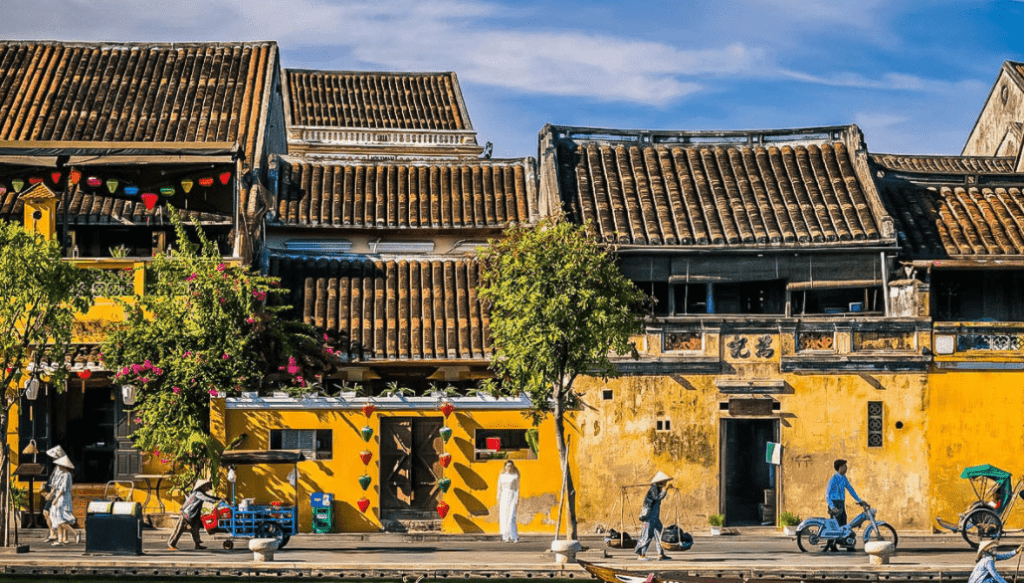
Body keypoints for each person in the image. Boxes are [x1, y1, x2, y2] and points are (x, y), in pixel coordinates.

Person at [168, 479, 222, 551]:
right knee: (180, 529)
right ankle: (172, 544)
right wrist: (216, 500)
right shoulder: (197, 493)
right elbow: (206, 498)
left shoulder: (201, 493)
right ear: (201, 486)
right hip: (187, 514)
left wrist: (218, 499)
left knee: (195, 529)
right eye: (205, 486)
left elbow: (209, 497)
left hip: (194, 515)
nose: (207, 488)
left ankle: (197, 544)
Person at [825, 459, 865, 552]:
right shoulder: (833, 479)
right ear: (840, 468)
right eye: (844, 466)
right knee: (834, 525)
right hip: (834, 503)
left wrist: (859, 500)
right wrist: (832, 507)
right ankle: (831, 545)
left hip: (841, 503)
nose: (846, 468)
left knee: (844, 524)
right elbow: (827, 494)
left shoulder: (844, 478)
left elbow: (850, 489)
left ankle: (847, 544)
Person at [635, 471, 672, 561]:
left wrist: (664, 490)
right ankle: (641, 554)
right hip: (649, 517)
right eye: (664, 482)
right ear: (660, 482)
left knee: (659, 532)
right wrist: (665, 490)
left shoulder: (658, 489)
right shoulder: (653, 489)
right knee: (647, 534)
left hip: (655, 517)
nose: (665, 483)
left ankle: (660, 554)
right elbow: (657, 497)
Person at [49, 456, 79, 546]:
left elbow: (62, 489)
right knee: (58, 518)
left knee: (62, 520)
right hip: (60, 497)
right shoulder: (62, 475)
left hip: (63, 498)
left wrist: (56, 498)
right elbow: (56, 486)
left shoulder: (67, 475)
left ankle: (75, 533)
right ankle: (60, 539)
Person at [497, 460, 520, 543]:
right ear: (505, 467)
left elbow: (517, 488)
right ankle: (505, 535)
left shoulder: (515, 476)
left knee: (511, 517)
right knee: (504, 516)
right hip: (504, 497)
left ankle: (514, 536)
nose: (509, 468)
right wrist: (498, 497)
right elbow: (499, 487)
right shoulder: (502, 476)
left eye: (510, 466)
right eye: (507, 466)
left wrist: (517, 498)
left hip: (512, 496)